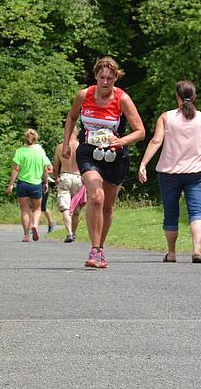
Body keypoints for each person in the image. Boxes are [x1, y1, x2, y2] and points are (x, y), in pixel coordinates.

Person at [62, 57, 145, 268]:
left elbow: (140, 132)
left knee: (107, 206)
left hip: (115, 156)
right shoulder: (85, 95)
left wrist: (121, 141)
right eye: (101, 77)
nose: (105, 82)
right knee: (96, 196)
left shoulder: (122, 99)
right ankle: (94, 249)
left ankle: (100, 248)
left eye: (109, 78)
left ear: (116, 77)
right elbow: (72, 117)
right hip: (88, 153)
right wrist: (67, 143)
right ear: (96, 76)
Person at [138, 81, 201, 263]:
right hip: (196, 173)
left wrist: (143, 164)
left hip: (169, 173)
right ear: (194, 97)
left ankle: (172, 253)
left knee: (171, 212)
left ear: (177, 97)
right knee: (196, 211)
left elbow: (156, 141)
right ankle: (197, 249)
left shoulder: (166, 117)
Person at [7, 129, 50, 242]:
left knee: (25, 210)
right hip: (36, 184)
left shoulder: (20, 151)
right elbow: (45, 169)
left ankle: (26, 235)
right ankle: (35, 225)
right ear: (36, 138)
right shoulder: (40, 151)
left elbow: (16, 169)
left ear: (25, 138)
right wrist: (45, 182)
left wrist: (11, 184)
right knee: (36, 209)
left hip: (23, 184)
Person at [52, 134, 83, 243]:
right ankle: (73, 233)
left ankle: (69, 232)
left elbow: (55, 166)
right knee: (76, 209)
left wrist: (56, 178)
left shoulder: (60, 147)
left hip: (64, 176)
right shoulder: (81, 146)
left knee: (65, 206)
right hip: (78, 177)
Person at [41, 158, 57, 233]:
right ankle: (32, 226)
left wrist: (44, 172)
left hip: (43, 183)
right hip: (33, 182)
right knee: (32, 206)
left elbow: (51, 170)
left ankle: (51, 223)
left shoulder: (44, 158)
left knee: (42, 207)